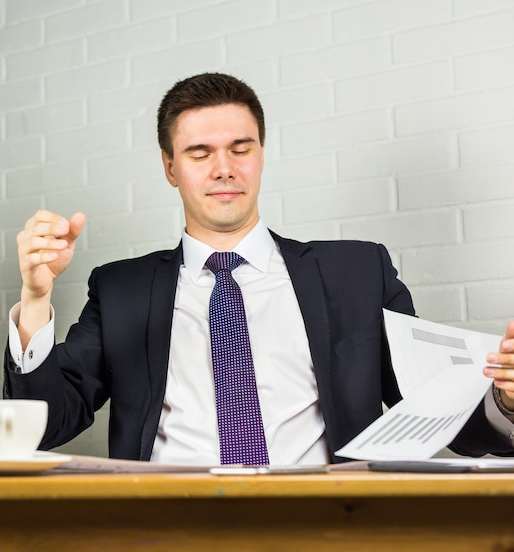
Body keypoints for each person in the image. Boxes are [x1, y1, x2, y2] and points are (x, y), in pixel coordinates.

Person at [4, 72, 514, 464]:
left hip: (328, 526)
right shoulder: (121, 290)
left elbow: (433, 410)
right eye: (200, 153)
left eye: (239, 148)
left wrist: (505, 401)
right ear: (170, 168)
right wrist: (34, 299)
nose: (224, 167)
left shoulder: (358, 272)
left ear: (261, 155)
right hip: (171, 530)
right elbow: (47, 426)